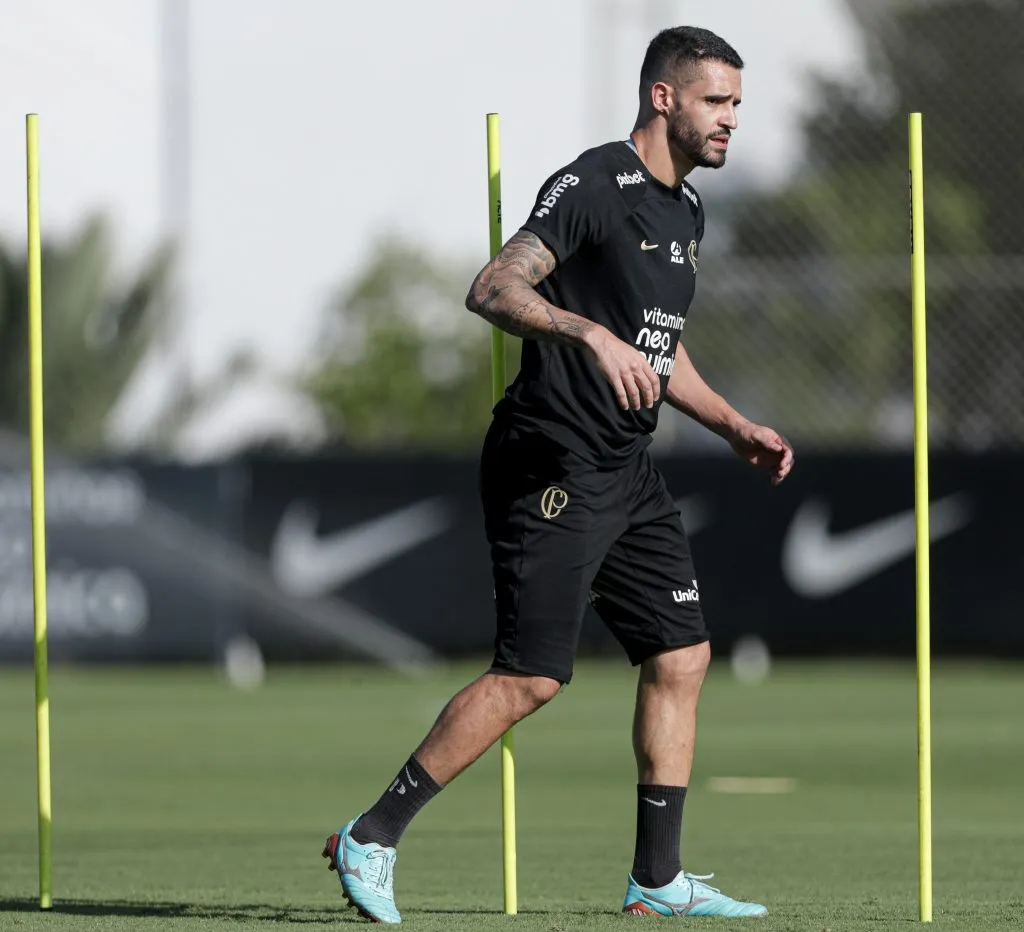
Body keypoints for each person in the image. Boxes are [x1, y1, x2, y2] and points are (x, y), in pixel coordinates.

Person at [322, 25, 794, 922]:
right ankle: (371, 836)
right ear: (663, 97)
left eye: (737, 103)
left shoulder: (688, 212)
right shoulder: (595, 183)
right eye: (716, 101)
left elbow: (658, 348)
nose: (732, 118)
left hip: (626, 466)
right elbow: (493, 287)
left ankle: (657, 881)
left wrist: (733, 425)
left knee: (682, 654)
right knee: (533, 676)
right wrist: (587, 334)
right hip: (551, 459)